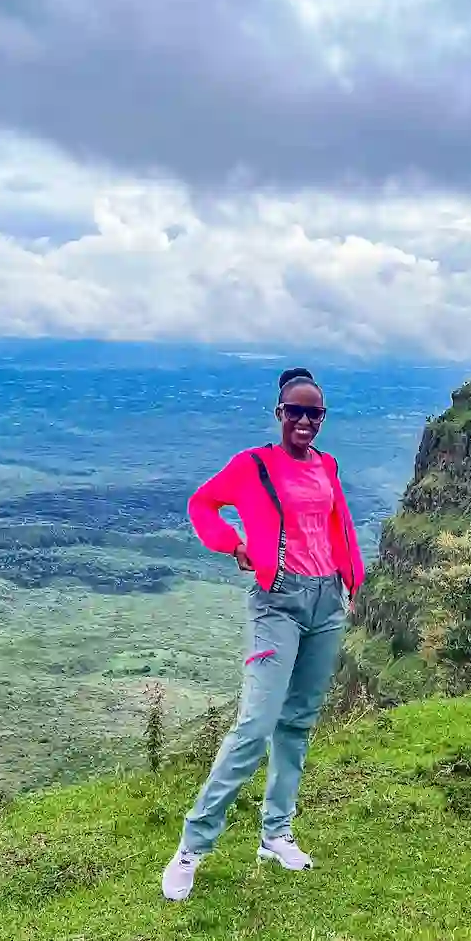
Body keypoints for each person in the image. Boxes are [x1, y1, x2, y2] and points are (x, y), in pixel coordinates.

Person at [161, 367, 365, 901]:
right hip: (278, 602)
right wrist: (232, 544)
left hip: (327, 600)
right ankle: (192, 845)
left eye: (313, 412)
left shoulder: (328, 465)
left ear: (323, 417)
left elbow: (336, 523)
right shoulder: (252, 465)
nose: (304, 420)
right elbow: (201, 503)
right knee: (255, 726)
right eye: (294, 411)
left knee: (297, 724)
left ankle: (276, 834)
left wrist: (352, 577)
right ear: (279, 414)